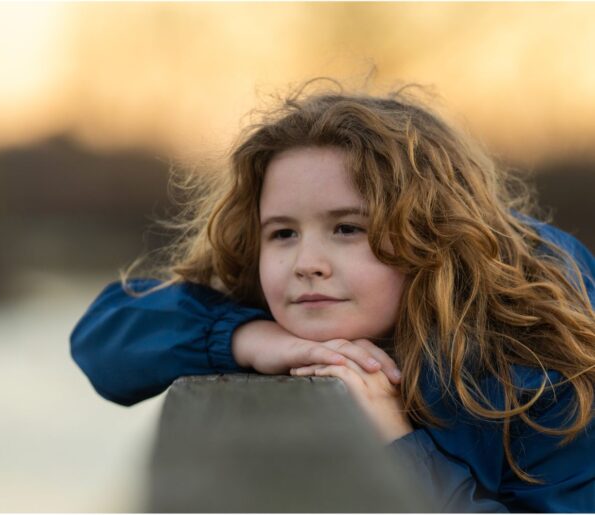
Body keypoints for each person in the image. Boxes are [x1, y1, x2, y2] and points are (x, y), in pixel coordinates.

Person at [70, 82, 595, 511]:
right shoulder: (274, 302)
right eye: (283, 233)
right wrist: (249, 337)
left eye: (347, 229)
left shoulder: (542, 367)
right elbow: (103, 335)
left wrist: (398, 444)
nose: (306, 263)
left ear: (432, 236)